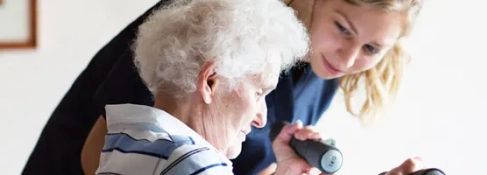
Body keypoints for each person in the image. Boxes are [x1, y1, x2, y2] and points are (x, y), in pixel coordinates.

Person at [21, 0, 424, 174]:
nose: (349, 59)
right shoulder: (219, 22)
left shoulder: (321, 75)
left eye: (371, 48)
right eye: (342, 28)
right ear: (210, 79)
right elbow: (107, 158)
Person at [95, 0, 324, 174]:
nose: (261, 119)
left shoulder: (124, 142)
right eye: (258, 93)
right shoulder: (198, 164)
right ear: (210, 81)